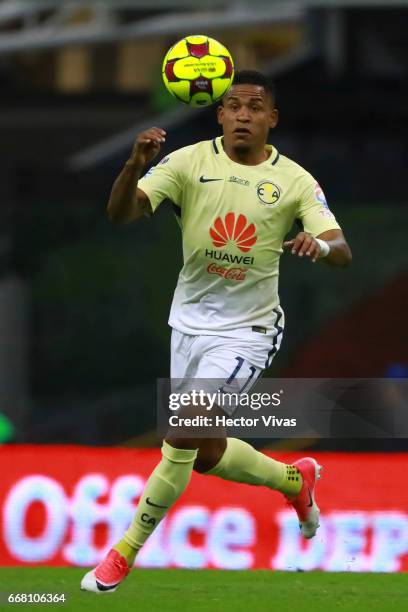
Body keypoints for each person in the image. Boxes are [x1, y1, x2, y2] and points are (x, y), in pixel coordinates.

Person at [81, 70, 352, 593]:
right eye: (234, 106)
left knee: (181, 431)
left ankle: (123, 553)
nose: (244, 114)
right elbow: (122, 214)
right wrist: (134, 165)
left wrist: (319, 246)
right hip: (187, 324)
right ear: (220, 114)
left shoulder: (294, 180)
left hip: (248, 332)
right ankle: (295, 480)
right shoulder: (186, 162)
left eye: (255, 106)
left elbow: (341, 249)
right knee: (203, 453)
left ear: (271, 118)